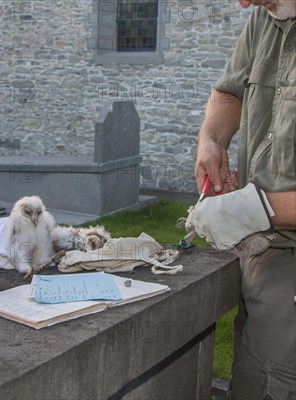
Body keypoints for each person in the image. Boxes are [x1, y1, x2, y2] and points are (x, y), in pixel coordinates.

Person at [187, 0, 295, 398]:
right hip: (259, 252)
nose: (245, 3)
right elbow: (228, 92)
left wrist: (259, 207)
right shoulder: (266, 17)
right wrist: (211, 141)